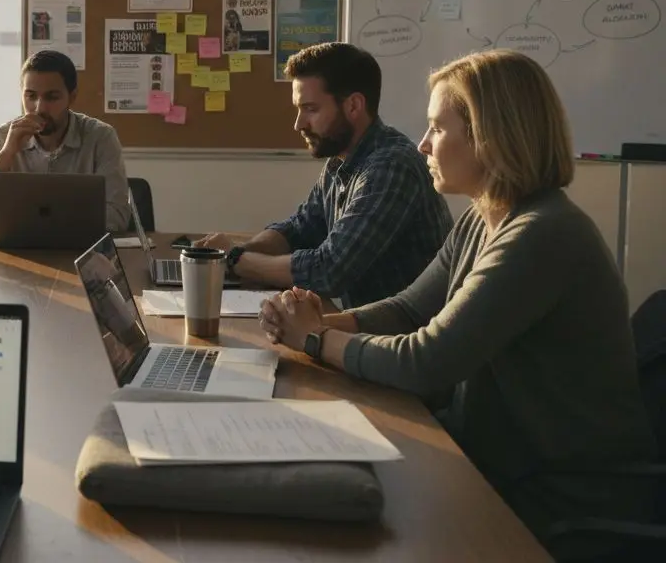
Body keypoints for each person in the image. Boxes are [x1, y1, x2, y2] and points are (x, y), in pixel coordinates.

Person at [258, 50, 655, 560]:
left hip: (557, 497)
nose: (422, 144)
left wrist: (315, 338)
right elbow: (408, 308)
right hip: (497, 463)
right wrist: (311, 321)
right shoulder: (482, 217)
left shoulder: (544, 232)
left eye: (437, 129)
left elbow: (427, 359)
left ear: (492, 136)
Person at [199, 42, 452, 309]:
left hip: (405, 338)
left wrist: (235, 259)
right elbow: (298, 229)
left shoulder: (391, 166)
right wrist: (236, 252)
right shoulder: (340, 159)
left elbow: (329, 271)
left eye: (311, 109)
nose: (299, 124)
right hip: (368, 329)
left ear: (354, 106)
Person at [0, 49, 130, 232]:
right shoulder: (2, 137)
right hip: (18, 253)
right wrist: (6, 155)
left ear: (71, 97)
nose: (39, 108)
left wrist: (44, 217)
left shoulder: (101, 137)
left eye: (51, 97)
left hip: (79, 253)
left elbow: (118, 217)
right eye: (31, 96)